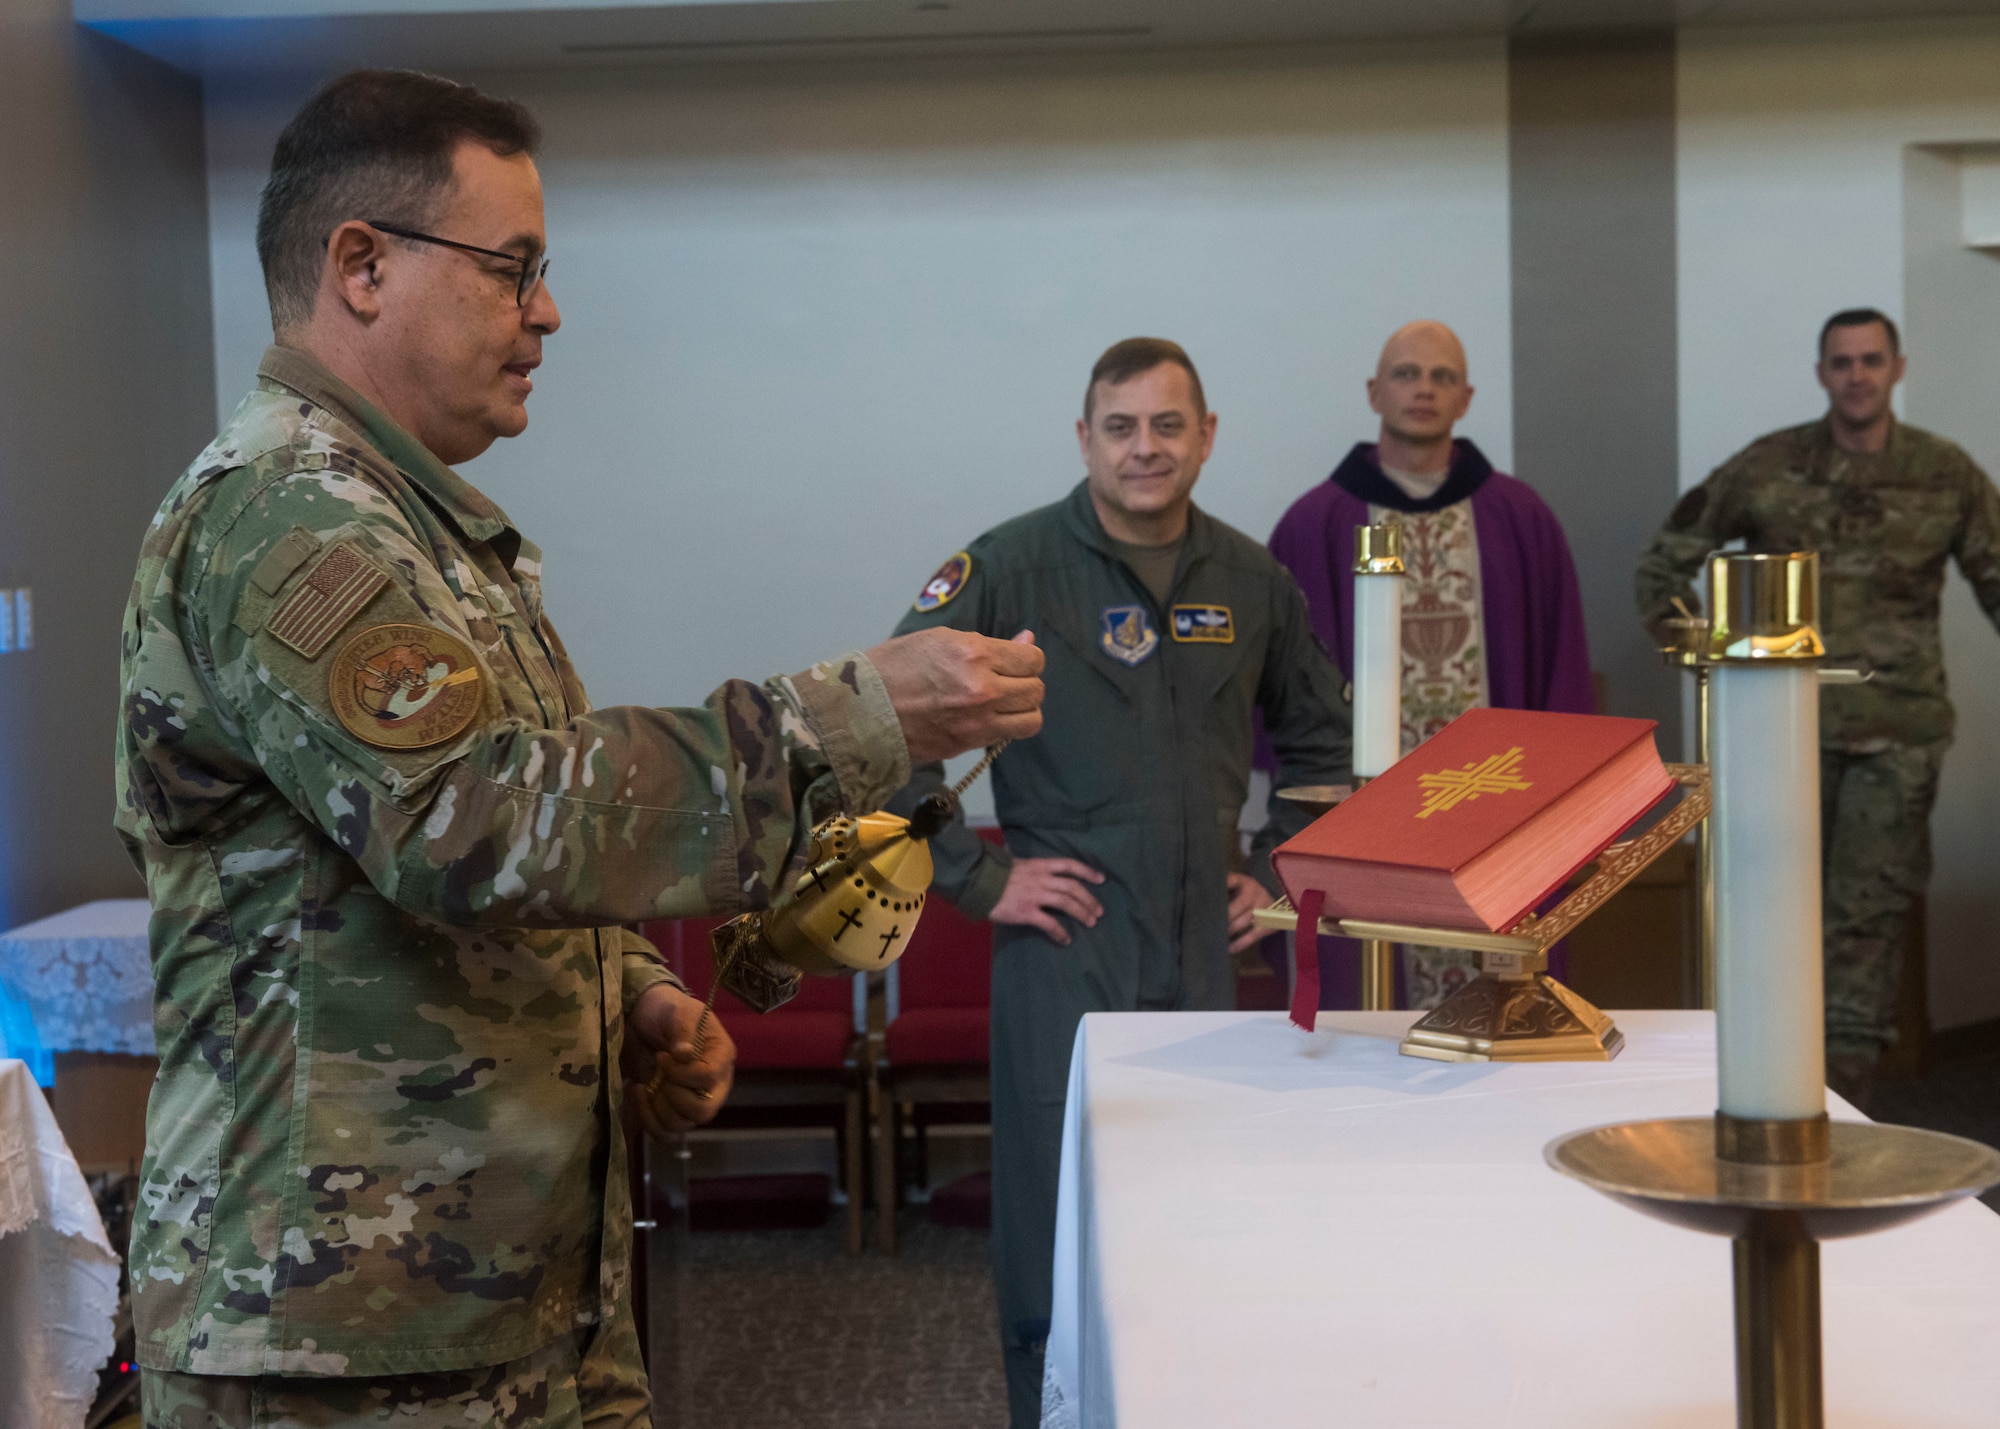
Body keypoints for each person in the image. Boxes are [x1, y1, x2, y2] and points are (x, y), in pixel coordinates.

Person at [115, 71, 1045, 1429]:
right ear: (361, 268)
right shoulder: (288, 517)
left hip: (488, 1299)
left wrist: (624, 994)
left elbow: (495, 827)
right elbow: (465, 819)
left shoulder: (422, 532)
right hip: (336, 1337)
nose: (545, 311)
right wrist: (858, 717)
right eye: (511, 269)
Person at [887, 337, 1352, 1426]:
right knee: (1058, 1229)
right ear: (1084, 438)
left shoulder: (1249, 580)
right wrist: (974, 877)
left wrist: (1272, 874)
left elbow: (1321, 742)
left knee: (1197, 1216)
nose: (1145, 448)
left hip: (1200, 949)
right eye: (1121, 426)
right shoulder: (1006, 568)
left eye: (1167, 425)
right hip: (1066, 951)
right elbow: (880, 733)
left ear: (1205, 437)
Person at [1636, 307, 2000, 1107]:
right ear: (1821, 373)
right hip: (1776, 732)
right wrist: (1709, 658)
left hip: (1894, 733)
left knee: (1864, 917)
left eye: (1872, 360)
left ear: (1898, 368)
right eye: (1842, 362)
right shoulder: (1768, 468)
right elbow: (1663, 562)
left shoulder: (1946, 473)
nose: (1858, 375)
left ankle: (1845, 1098)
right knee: (1769, 904)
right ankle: (1765, 1081)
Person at [1267, 320, 1593, 1006]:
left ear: (1466, 397)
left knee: (1500, 1017)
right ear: (1374, 392)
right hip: (1359, 826)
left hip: (1498, 821)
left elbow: (1559, 675)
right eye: (1407, 373)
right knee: (1363, 1019)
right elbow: (1276, 690)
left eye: (1442, 376)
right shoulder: (1314, 523)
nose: (1424, 388)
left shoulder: (1520, 517)